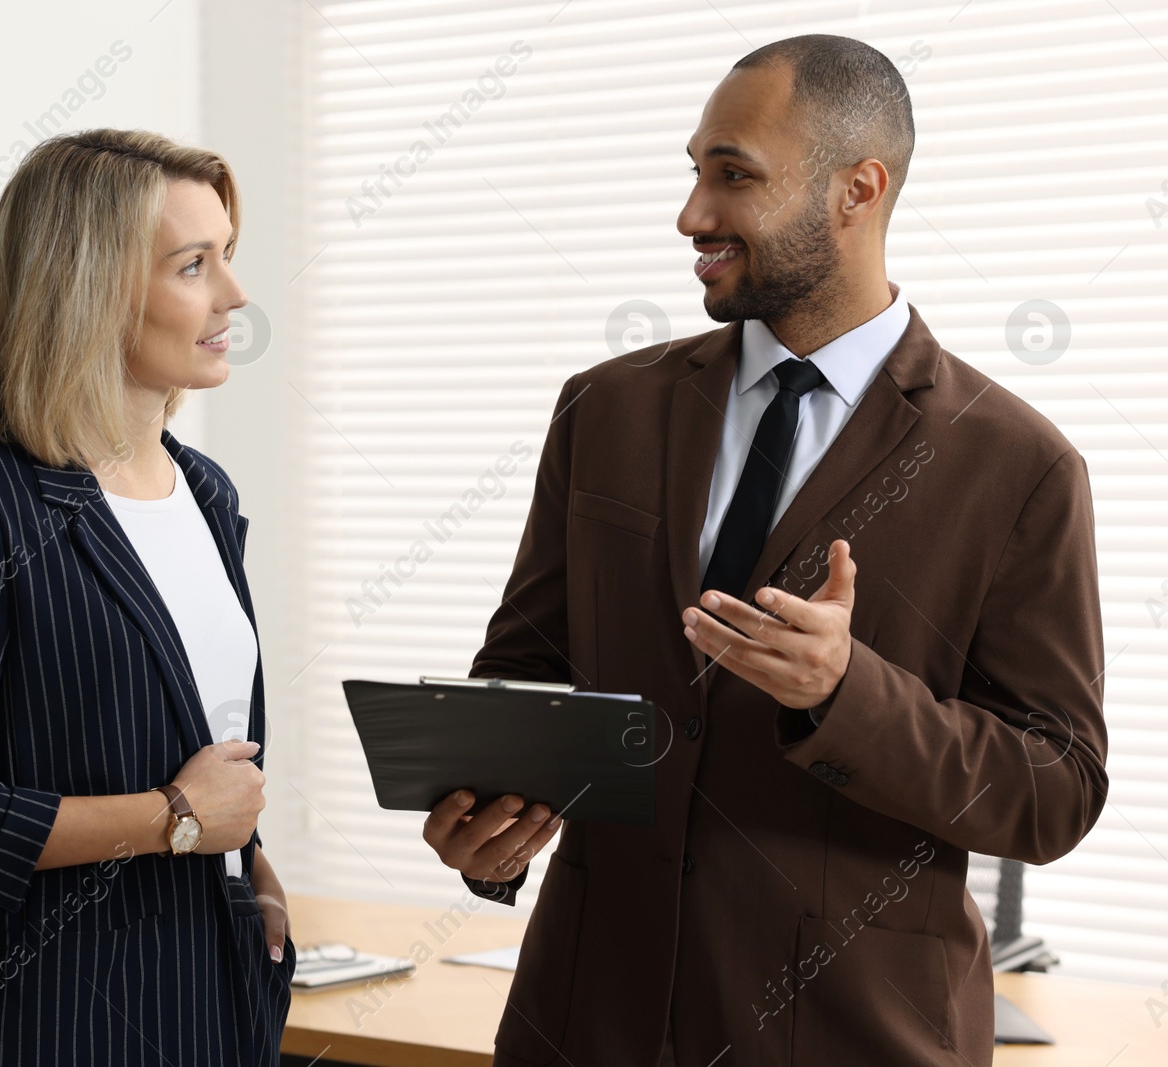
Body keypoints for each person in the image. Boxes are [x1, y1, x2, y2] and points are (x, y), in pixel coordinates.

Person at [421, 34, 1106, 1067]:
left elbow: (1054, 787)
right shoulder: (604, 408)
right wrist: (489, 829)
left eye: (732, 176)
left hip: (852, 1033)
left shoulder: (1015, 464)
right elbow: (527, 673)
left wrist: (844, 689)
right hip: (585, 1023)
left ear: (857, 189)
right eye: (695, 171)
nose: (693, 214)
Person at [0, 128, 293, 1067]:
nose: (233, 295)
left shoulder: (208, 493)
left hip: (215, 1008)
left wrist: (249, 870)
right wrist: (172, 815)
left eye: (228, 256)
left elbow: (212, 749)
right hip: (56, 1022)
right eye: (193, 265)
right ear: (90, 286)